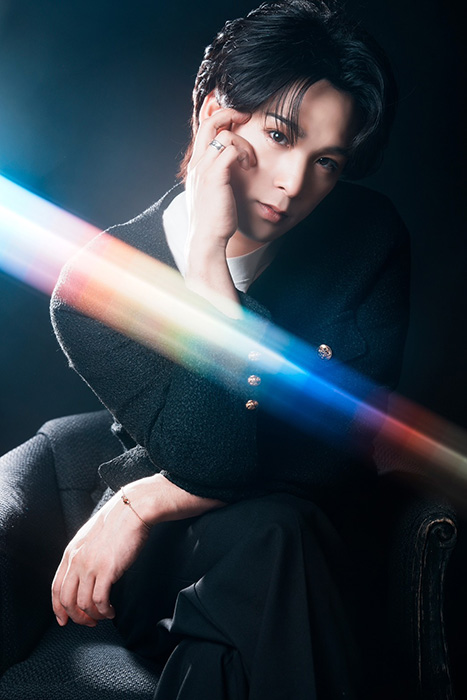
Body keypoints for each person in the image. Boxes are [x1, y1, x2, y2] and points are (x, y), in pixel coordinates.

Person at [50, 1, 410, 697]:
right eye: (279, 135)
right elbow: (215, 458)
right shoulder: (96, 288)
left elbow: (334, 456)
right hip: (173, 566)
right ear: (214, 115)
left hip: (296, 539)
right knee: (276, 532)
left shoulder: (367, 237)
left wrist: (140, 501)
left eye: (326, 162)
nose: (294, 183)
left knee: (277, 535)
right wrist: (209, 269)